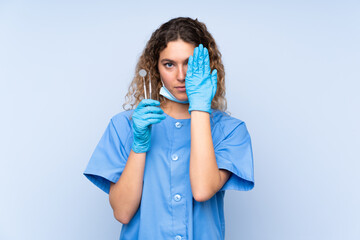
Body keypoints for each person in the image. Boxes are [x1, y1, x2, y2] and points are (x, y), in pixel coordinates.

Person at [83, 17, 255, 240]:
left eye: (190, 63)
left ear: (207, 66)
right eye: (169, 64)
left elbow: (203, 190)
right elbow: (123, 213)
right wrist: (139, 146)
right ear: (155, 67)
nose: (181, 76)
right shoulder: (125, 125)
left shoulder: (230, 131)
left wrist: (200, 107)